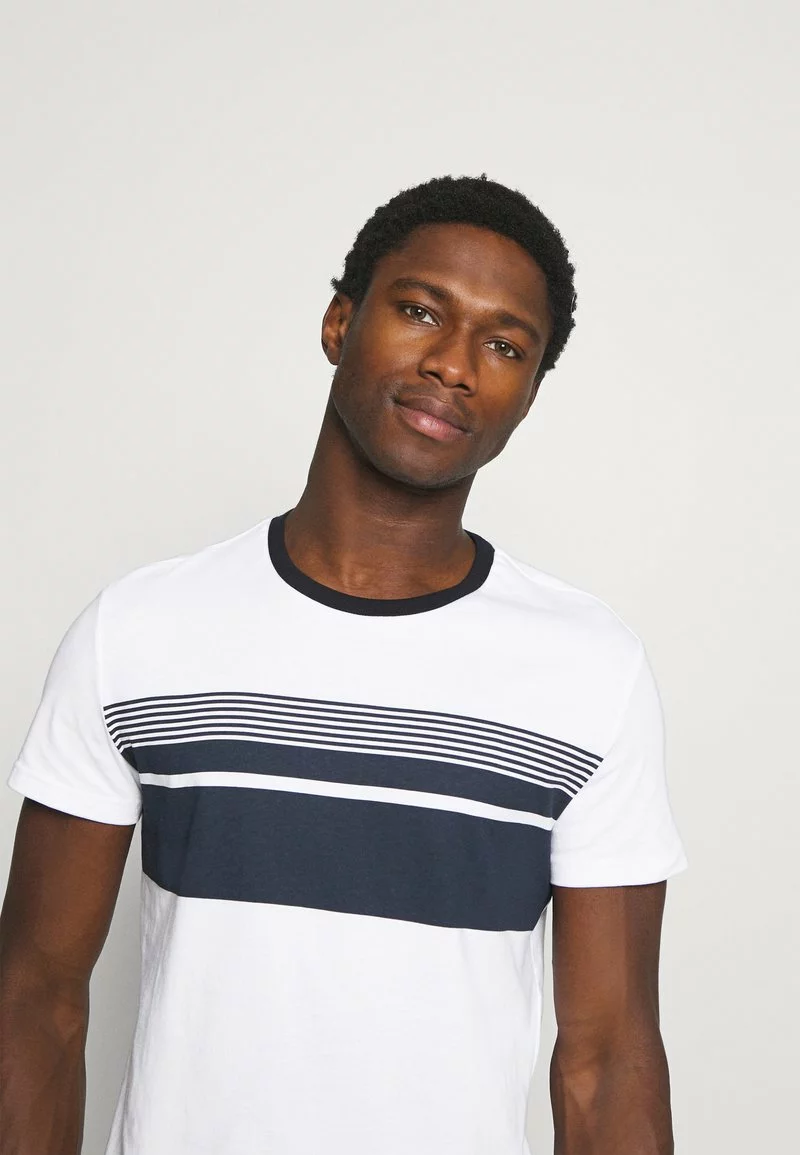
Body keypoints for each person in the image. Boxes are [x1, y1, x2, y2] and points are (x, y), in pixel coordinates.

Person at [0, 173, 688, 1155]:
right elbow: (35, 999)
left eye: (504, 346)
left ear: (528, 396)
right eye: (420, 311)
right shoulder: (139, 631)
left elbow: (608, 1058)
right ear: (339, 323)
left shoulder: (588, 673)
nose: (454, 364)